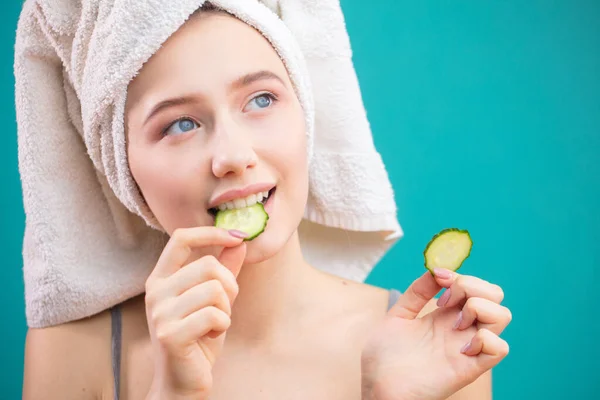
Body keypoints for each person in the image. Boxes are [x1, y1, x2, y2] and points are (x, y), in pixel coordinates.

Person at [19, 3, 511, 400]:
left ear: (306, 112)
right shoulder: (73, 351)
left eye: (260, 100)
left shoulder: (430, 342)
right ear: (121, 168)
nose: (233, 156)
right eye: (179, 124)